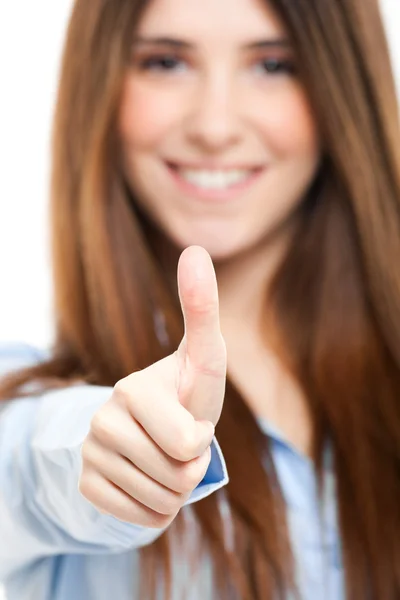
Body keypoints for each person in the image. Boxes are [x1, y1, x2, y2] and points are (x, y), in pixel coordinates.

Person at [1, 0, 400, 598]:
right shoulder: (24, 402)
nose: (215, 126)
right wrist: (107, 449)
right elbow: (35, 466)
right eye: (165, 62)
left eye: (272, 66)